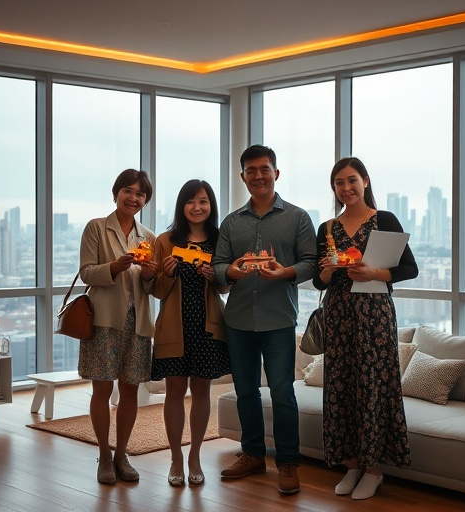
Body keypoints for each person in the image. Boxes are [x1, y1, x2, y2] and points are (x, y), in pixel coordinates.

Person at [212, 144, 317, 495]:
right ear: (243, 177)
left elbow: (311, 262)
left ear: (276, 172)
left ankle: (288, 462)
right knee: (245, 392)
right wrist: (231, 272)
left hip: (279, 320)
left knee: (283, 393)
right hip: (238, 320)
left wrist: (286, 271)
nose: (258, 175)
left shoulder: (298, 217)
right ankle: (253, 454)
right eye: (251, 171)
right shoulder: (231, 222)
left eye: (264, 169)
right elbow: (217, 266)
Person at [312, 157, 418, 500]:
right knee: (342, 388)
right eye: (339, 183)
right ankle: (353, 465)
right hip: (340, 315)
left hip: (375, 316)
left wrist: (375, 274)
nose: (346, 188)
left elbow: (409, 268)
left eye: (352, 180)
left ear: (366, 182)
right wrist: (327, 271)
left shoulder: (384, 219)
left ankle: (374, 470)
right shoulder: (327, 228)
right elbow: (318, 281)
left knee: (373, 386)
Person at [78, 169, 158, 485]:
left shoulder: (148, 237)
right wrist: (116, 266)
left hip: (137, 322)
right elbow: (86, 273)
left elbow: (151, 288)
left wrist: (151, 273)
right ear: (116, 193)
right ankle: (103, 455)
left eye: (140, 194)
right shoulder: (96, 228)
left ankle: (121, 455)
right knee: (102, 388)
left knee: (130, 390)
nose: (134, 198)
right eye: (128, 191)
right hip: (103, 320)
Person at [150, 179, 231, 487]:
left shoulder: (219, 240)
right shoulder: (166, 240)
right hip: (174, 327)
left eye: (204, 202)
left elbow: (226, 286)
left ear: (211, 206)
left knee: (201, 392)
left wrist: (216, 277)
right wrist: (167, 274)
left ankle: (195, 455)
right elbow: (155, 290)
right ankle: (175, 457)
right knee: (173, 392)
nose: (197, 207)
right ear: (181, 205)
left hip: (208, 330)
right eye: (191, 201)